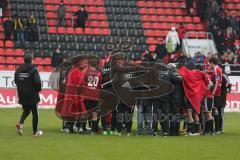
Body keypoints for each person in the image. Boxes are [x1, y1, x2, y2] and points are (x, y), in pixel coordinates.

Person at [14, 54, 43, 136]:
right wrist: (38, 90)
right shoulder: (34, 69)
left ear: (24, 60)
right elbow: (37, 82)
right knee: (35, 112)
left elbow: (15, 80)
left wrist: (21, 89)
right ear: (31, 60)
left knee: (26, 110)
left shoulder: (18, 69)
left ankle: (20, 124)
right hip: (32, 94)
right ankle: (35, 132)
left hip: (22, 94)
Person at [80, 58, 102, 134]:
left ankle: (82, 129)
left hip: (87, 95)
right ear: (96, 65)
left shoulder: (87, 72)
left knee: (85, 112)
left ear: (89, 64)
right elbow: (99, 85)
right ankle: (93, 131)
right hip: (95, 96)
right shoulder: (99, 73)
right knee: (95, 114)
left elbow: (83, 82)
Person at [208, 57, 223, 134]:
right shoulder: (219, 69)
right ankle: (219, 129)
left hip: (216, 94)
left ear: (212, 63)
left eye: (209, 63)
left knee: (215, 110)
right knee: (217, 111)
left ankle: (217, 129)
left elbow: (217, 82)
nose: (209, 65)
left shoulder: (216, 70)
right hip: (219, 93)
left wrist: (213, 92)